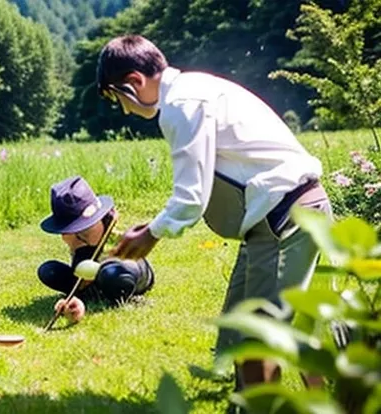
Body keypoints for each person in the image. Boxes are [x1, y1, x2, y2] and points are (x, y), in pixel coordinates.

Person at [96, 35, 332, 389]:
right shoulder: (195, 87)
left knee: (257, 340)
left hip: (284, 216)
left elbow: (191, 198)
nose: (125, 109)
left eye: (119, 99)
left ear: (134, 82)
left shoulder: (181, 105)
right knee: (242, 333)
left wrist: (152, 234)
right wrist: (157, 225)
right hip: (277, 215)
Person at [38, 175, 155, 321]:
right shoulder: (76, 242)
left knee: (111, 274)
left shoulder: (112, 236)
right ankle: (85, 296)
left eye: (85, 231)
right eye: (71, 232)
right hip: (93, 279)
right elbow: (80, 272)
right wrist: (78, 289)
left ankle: (121, 294)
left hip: (127, 269)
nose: (80, 237)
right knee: (49, 271)